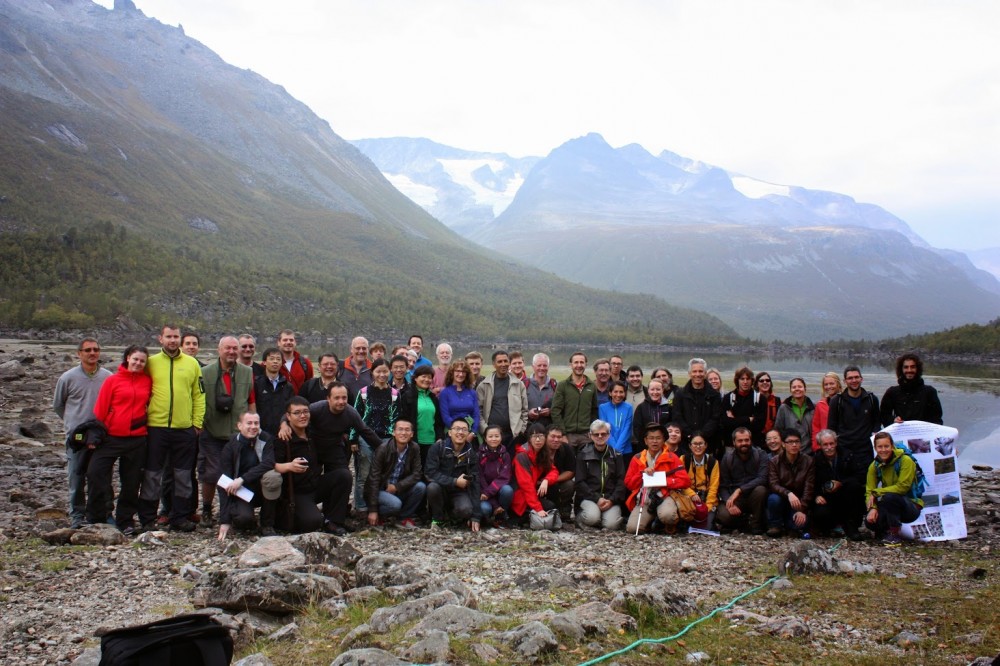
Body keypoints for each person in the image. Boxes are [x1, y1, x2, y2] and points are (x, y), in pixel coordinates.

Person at [278, 382, 380, 533]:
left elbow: (366, 432)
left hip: (333, 448)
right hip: (313, 446)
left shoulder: (350, 413)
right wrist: (283, 424)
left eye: (344, 398)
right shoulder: (317, 408)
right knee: (307, 480)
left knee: (344, 476)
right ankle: (298, 507)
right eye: (336, 398)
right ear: (328, 399)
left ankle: (335, 519)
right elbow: (293, 413)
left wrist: (384, 448)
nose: (341, 401)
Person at [139, 325, 205, 533]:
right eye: (169, 336)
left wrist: (197, 423)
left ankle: (180, 517)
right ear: (161, 339)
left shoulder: (192, 363)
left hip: (184, 429)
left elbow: (199, 395)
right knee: (152, 474)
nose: (172, 340)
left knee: (183, 475)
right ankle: (148, 518)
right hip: (156, 427)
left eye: (176, 336)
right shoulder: (151, 363)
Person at [89, 346, 152, 534]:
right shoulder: (112, 380)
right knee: (95, 473)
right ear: (127, 358)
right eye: (135, 359)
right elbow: (100, 410)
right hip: (111, 437)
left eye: (142, 361)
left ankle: (125, 521)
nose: (138, 363)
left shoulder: (147, 381)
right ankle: (97, 517)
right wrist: (96, 434)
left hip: (137, 438)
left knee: (131, 482)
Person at [53, 338, 112, 528]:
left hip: (101, 436)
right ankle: (77, 515)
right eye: (87, 350)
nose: (92, 353)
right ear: (79, 353)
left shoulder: (108, 377)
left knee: (102, 477)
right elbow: (58, 405)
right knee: (76, 477)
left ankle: (104, 513)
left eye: (95, 349)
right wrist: (73, 423)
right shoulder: (67, 378)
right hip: (77, 437)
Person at [199, 336, 256, 525]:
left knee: (237, 472)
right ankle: (207, 509)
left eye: (234, 348)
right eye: (227, 348)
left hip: (237, 433)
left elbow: (251, 400)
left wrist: (253, 425)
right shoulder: (205, 372)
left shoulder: (247, 372)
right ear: (219, 350)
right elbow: (197, 399)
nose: (231, 352)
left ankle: (233, 508)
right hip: (212, 431)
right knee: (212, 474)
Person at [271, 397, 331, 534]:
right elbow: (270, 465)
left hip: (315, 484)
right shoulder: (283, 438)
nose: (302, 416)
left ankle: (333, 520)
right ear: (288, 416)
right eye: (297, 413)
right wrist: (289, 466)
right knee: (313, 522)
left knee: (342, 477)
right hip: (296, 492)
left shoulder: (313, 433)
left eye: (305, 412)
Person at [217, 411, 277, 539]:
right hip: (241, 491)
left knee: (273, 477)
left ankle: (267, 523)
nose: (253, 427)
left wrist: (243, 479)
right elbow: (224, 482)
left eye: (256, 423)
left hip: (262, 487)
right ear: (239, 426)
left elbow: (269, 463)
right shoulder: (230, 446)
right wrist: (225, 521)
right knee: (244, 520)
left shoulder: (265, 439)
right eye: (249, 423)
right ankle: (243, 516)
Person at [351, 358, 399, 513]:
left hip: (387, 439)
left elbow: (396, 419)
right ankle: (361, 507)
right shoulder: (364, 393)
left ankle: (379, 506)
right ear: (372, 373)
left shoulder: (394, 394)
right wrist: (353, 438)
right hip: (366, 438)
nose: (382, 375)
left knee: (384, 473)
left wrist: (395, 439)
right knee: (364, 473)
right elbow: (356, 416)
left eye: (385, 371)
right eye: (379, 371)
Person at [624, 423, 691, 534]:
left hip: (665, 497)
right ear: (645, 441)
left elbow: (685, 481)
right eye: (651, 438)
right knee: (633, 529)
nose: (654, 441)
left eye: (658, 438)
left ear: (664, 440)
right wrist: (642, 474)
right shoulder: (637, 458)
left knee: (668, 516)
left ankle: (667, 523)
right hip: (645, 499)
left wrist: (664, 481)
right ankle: (652, 522)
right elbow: (629, 484)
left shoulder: (672, 457)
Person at [365, 420, 426, 529]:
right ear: (393, 432)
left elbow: (417, 474)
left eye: (407, 430)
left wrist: (397, 487)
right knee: (395, 504)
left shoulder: (414, 448)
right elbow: (374, 478)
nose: (403, 433)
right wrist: (373, 509)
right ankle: (379, 516)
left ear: (412, 434)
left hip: (398, 488)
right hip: (380, 490)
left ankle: (403, 518)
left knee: (420, 487)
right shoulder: (383, 449)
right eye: (400, 429)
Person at [865, 431, 924, 545]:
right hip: (890, 503)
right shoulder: (874, 465)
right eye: (880, 447)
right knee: (870, 522)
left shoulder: (906, 460)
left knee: (890, 497)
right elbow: (869, 490)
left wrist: (876, 492)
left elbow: (903, 487)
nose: (883, 450)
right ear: (875, 448)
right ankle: (884, 531)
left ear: (892, 446)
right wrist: (872, 508)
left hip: (911, 506)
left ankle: (894, 534)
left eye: (886, 446)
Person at [425, 419, 481, 531]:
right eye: (457, 429)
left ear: (468, 433)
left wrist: (476, 516)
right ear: (450, 432)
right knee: (432, 487)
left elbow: (475, 482)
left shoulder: (471, 453)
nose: (460, 432)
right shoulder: (438, 447)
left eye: (464, 430)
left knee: (466, 510)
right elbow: (430, 473)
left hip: (459, 492)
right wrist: (454, 481)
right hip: (441, 488)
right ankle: (437, 518)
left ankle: (451, 516)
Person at [827, 366, 881, 476]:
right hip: (844, 452)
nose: (854, 380)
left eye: (856, 377)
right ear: (845, 381)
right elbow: (831, 428)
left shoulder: (871, 399)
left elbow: (877, 422)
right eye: (850, 378)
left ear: (861, 379)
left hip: (866, 452)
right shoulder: (836, 401)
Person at [574, 419, 627, 530]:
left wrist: (612, 500)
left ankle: (602, 517)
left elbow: (621, 480)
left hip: (610, 498)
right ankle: (582, 517)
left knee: (611, 525)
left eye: (603, 434)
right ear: (590, 436)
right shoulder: (583, 455)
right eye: (596, 434)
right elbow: (580, 482)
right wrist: (597, 499)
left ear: (608, 435)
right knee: (592, 518)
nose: (600, 437)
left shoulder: (616, 455)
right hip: (590, 498)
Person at [812, 429, 864, 540]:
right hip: (827, 496)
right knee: (820, 513)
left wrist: (841, 483)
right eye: (825, 444)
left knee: (855, 487)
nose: (829, 447)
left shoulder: (848, 455)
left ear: (836, 443)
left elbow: (860, 476)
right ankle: (830, 527)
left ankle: (852, 527)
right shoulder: (815, 459)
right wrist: (816, 495)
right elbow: (811, 482)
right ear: (820, 446)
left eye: (831, 443)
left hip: (846, 495)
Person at [715, 427, 768, 535]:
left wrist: (740, 490)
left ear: (751, 440)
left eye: (746, 440)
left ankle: (756, 523)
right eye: (740, 441)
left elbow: (763, 478)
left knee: (761, 490)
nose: (744, 443)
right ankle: (744, 523)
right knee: (723, 515)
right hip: (735, 498)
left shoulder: (760, 454)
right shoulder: (727, 458)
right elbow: (723, 485)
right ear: (734, 442)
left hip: (754, 495)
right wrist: (729, 502)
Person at [477, 350, 529, 458]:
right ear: (494, 364)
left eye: (506, 361)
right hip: (492, 436)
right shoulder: (484, 385)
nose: (503, 364)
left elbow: (524, 410)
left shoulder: (518, 385)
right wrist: (485, 430)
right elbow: (478, 410)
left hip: (512, 435)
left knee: (511, 463)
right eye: (499, 362)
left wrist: (521, 429)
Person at [511, 424, 561, 530]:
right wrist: (538, 508)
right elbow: (526, 486)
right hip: (521, 497)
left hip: (532, 492)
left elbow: (554, 471)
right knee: (549, 508)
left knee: (553, 490)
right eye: (534, 436)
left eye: (541, 436)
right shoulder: (521, 456)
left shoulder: (542, 452)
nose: (538, 440)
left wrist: (546, 480)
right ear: (529, 439)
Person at [766, 431, 815, 538]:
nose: (794, 445)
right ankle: (775, 525)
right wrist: (788, 493)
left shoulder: (808, 461)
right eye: (790, 442)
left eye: (797, 441)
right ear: (783, 444)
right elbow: (773, 484)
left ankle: (790, 525)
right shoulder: (774, 461)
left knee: (800, 525)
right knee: (773, 499)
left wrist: (802, 509)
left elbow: (809, 487)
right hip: (782, 497)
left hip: (798, 501)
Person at [399, 364, 444, 469]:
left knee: (430, 471)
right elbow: (404, 419)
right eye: (423, 376)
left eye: (429, 377)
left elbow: (438, 421)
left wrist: (439, 437)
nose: (427, 380)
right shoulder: (407, 396)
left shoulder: (433, 398)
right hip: (414, 442)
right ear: (415, 378)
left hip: (432, 442)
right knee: (415, 471)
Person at [552, 351, 598, 450]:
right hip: (568, 435)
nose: (579, 365)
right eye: (576, 362)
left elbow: (594, 410)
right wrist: (562, 434)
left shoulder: (592, 386)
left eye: (582, 362)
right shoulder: (562, 385)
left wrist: (592, 431)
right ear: (571, 365)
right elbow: (555, 411)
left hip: (586, 435)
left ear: (586, 364)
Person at [673, 358, 723, 452]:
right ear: (689, 373)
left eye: (700, 371)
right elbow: (677, 416)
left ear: (705, 373)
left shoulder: (714, 395)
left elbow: (715, 418)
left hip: (708, 442)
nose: (697, 374)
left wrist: (702, 435)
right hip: (686, 442)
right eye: (694, 371)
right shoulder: (680, 394)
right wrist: (690, 434)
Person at [880, 353, 943, 426]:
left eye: (912, 367)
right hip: (901, 431)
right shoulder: (892, 392)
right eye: (906, 367)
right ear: (901, 369)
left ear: (918, 369)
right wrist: (893, 420)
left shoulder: (930, 392)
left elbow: (937, 419)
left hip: (923, 431)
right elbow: (884, 416)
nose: (909, 370)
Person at [254, 347, 296, 437]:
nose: (275, 361)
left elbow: (290, 409)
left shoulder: (288, 386)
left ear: (282, 363)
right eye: (271, 359)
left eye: (278, 359)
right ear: (264, 362)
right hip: (260, 432)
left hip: (282, 433)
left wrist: (285, 423)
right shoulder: (256, 384)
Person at [479, 424, 514, 528]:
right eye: (490, 436)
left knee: (508, 490)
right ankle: (489, 519)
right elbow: (479, 478)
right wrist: (491, 500)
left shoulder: (505, 455)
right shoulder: (479, 455)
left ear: (501, 437)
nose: (493, 439)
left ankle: (501, 516)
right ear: (485, 438)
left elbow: (504, 477)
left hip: (497, 491)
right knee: (485, 509)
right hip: (483, 493)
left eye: (496, 436)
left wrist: (489, 492)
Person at [684, 432, 720, 530]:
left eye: (701, 443)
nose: (698, 446)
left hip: (706, 499)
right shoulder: (684, 459)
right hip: (689, 499)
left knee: (706, 527)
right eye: (695, 444)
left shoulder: (713, 462)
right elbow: (681, 483)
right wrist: (691, 494)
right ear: (690, 446)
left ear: (706, 445)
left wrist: (708, 506)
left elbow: (714, 487)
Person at [438, 360, 480, 437]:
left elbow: (476, 414)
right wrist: (459, 431)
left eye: (463, 371)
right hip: (452, 432)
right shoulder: (445, 393)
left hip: (470, 433)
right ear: (452, 373)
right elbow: (445, 416)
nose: (461, 374)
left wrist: (473, 432)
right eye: (457, 371)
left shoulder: (472, 392)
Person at [632, 379, 671, 458]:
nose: (655, 392)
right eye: (652, 389)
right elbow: (637, 428)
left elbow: (671, 425)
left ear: (662, 390)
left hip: (665, 446)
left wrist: (665, 441)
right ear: (648, 390)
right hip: (645, 447)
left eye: (658, 389)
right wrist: (646, 443)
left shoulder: (668, 407)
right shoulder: (641, 407)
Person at [545, 425, 576, 523]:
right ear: (546, 436)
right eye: (553, 436)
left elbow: (571, 471)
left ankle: (564, 511)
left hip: (557, 480)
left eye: (559, 437)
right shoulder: (540, 448)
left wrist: (552, 480)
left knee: (570, 484)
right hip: (539, 483)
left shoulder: (566, 448)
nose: (556, 440)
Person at [773, 378, 816, 450]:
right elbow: (778, 430)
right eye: (794, 387)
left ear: (805, 389)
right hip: (790, 450)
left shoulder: (813, 407)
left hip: (810, 450)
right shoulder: (784, 408)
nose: (797, 389)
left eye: (800, 386)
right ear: (790, 390)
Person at [721, 367, 756, 451]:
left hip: (752, 445)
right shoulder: (728, 398)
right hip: (731, 445)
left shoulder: (759, 399)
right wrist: (748, 419)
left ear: (752, 381)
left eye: (748, 379)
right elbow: (726, 422)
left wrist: (734, 420)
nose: (745, 382)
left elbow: (758, 425)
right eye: (742, 379)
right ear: (737, 380)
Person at [598, 381, 633, 458]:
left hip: (626, 450)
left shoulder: (629, 408)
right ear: (610, 393)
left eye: (621, 392)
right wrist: (614, 449)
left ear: (625, 393)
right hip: (609, 449)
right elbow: (605, 429)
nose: (618, 395)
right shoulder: (603, 407)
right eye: (615, 392)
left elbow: (627, 429)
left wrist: (618, 449)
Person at [811, 372, 843, 452]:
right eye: (826, 384)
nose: (829, 387)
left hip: (843, 445)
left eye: (831, 384)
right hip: (825, 446)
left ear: (838, 384)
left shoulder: (845, 402)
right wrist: (816, 446)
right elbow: (816, 428)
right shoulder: (820, 405)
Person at [524, 353, 556, 428]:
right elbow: (516, 409)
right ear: (533, 366)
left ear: (548, 367)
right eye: (539, 365)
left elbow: (562, 408)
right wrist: (528, 413)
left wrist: (550, 412)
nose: (542, 368)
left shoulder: (555, 386)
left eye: (545, 365)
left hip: (549, 429)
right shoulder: (523, 385)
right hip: (528, 429)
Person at [277, 329, 314, 394]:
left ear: (295, 342)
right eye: (285, 340)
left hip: (300, 400)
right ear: (279, 343)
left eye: (291, 340)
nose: (288, 342)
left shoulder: (305, 363)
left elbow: (310, 387)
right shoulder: (270, 363)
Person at [752, 371, 781, 450]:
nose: (765, 382)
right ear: (756, 384)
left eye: (767, 380)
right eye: (761, 381)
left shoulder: (777, 401)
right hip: (756, 441)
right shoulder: (752, 400)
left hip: (773, 441)